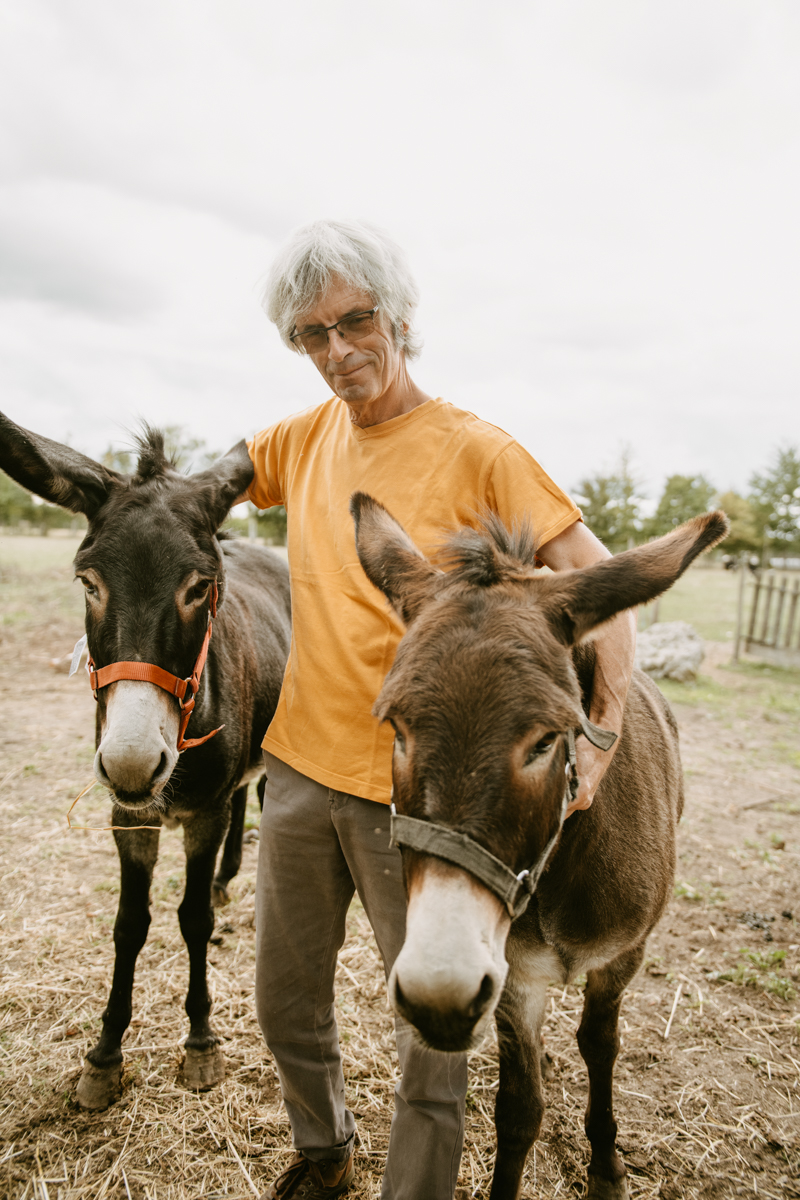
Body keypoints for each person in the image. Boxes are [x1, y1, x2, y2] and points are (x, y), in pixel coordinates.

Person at [244, 220, 636, 1200]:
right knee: (285, 1004)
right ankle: (323, 1148)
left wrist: (602, 735)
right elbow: (197, 488)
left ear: (400, 318)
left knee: (434, 1035)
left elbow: (597, 587)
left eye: (354, 321)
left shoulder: (479, 449)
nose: (337, 352)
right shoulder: (300, 439)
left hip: (416, 795)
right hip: (295, 772)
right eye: (310, 335)